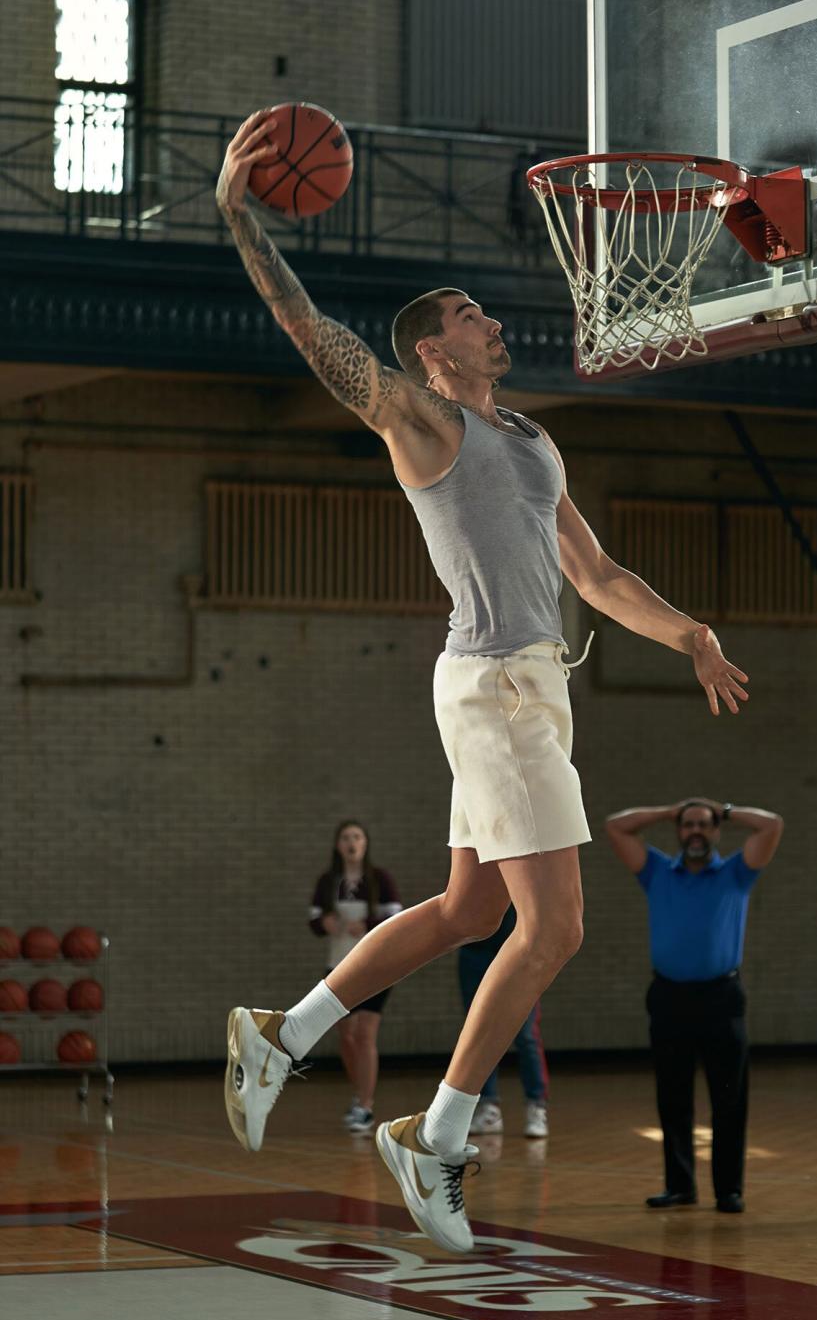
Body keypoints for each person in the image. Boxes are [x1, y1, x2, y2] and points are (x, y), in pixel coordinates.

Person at [217, 110, 750, 1256]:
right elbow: (311, 330)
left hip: (525, 687)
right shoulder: (418, 424)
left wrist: (689, 631)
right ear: (432, 352)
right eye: (470, 314)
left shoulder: (535, 445)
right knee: (552, 927)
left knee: (470, 911)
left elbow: (598, 573)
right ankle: (439, 1134)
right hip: (495, 688)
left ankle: (282, 1031)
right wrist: (237, 215)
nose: (492, 320)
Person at [605, 798, 783, 1212]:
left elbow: (771, 824)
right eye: (688, 825)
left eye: (704, 824)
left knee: (729, 1098)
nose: (696, 831)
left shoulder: (736, 873)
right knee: (673, 1097)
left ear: (717, 830)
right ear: (678, 832)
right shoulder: (657, 872)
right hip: (669, 998)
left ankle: (729, 1190)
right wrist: (670, 811)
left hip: (722, 998)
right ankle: (681, 1185)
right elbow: (616, 825)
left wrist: (724, 809)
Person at [309, 819, 402, 1134]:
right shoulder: (328, 881)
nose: (352, 843)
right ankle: (359, 1091)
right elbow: (313, 918)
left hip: (375, 966)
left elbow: (397, 917)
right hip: (339, 965)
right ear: (338, 845)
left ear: (365, 843)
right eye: (346, 837)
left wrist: (368, 923)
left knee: (364, 1033)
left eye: (357, 837)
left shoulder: (379, 879)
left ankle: (365, 1105)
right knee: (346, 1036)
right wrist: (326, 923)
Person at [458, 907, 550, 1139]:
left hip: (518, 951)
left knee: (525, 1034)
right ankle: (488, 1106)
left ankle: (536, 1105)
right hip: (475, 952)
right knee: (479, 1033)